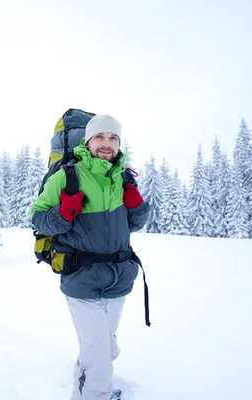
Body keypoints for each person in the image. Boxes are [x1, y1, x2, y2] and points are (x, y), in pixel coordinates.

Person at [30, 114, 149, 400]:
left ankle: (82, 385)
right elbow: (37, 219)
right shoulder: (67, 177)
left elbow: (134, 224)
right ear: (88, 140)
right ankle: (97, 394)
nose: (106, 144)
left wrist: (137, 207)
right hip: (82, 279)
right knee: (99, 354)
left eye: (113, 138)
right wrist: (63, 214)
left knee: (103, 349)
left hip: (119, 279)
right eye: (100, 137)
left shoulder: (123, 177)